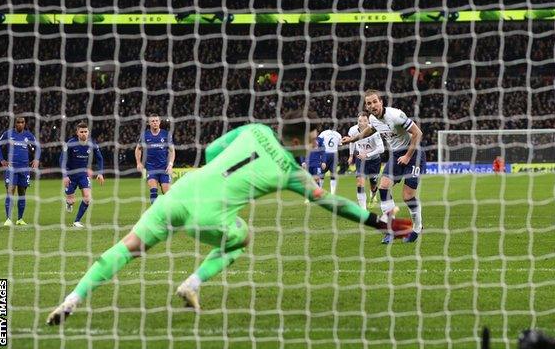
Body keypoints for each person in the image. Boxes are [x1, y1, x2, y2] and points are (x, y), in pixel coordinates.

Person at [46, 110, 414, 325]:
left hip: (183, 192)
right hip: (210, 216)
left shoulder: (256, 129)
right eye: (313, 139)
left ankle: (72, 299)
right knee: (242, 236)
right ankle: (193, 281)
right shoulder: (291, 171)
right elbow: (334, 204)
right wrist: (378, 223)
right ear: (302, 141)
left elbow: (211, 150)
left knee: (128, 248)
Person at [342, 89, 425, 244]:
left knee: (407, 197)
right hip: (395, 155)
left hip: (414, 155)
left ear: (381, 102)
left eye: (375, 101)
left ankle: (418, 227)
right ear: (366, 107)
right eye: (369, 103)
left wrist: (407, 156)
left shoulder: (395, 115)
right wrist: (352, 139)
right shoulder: (373, 119)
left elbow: (418, 133)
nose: (373, 105)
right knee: (384, 187)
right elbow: (370, 129)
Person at [0, 116, 41, 226]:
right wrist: (2, 160)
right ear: (14, 123)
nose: (20, 124)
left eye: (22, 122)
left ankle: (20, 219)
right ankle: (8, 219)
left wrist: (36, 159)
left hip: (24, 169)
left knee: (22, 193)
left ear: (24, 123)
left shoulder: (28, 135)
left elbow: (38, 147)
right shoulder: (8, 134)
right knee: (10, 191)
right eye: (18, 122)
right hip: (11, 168)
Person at [60, 122, 105, 228]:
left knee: (88, 198)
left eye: (85, 132)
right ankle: (69, 203)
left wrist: (100, 173)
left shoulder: (92, 143)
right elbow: (62, 159)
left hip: (83, 174)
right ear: (77, 132)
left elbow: (100, 158)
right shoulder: (70, 143)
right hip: (71, 174)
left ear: (88, 132)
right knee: (71, 200)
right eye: (81, 132)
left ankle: (77, 221)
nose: (84, 134)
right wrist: (65, 175)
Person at [347, 111, 384, 209]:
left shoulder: (374, 132)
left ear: (368, 121)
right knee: (360, 182)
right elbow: (352, 142)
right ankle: (363, 210)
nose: (361, 123)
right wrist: (351, 155)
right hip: (361, 160)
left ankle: (373, 195)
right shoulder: (353, 130)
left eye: (364, 120)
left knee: (373, 184)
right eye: (359, 120)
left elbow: (381, 149)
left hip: (374, 161)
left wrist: (367, 155)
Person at [135, 115, 175, 204]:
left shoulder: (166, 134)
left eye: (156, 121)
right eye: (152, 121)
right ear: (149, 123)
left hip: (164, 168)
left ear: (159, 122)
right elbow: (138, 149)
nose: (155, 123)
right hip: (151, 168)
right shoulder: (145, 135)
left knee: (167, 193)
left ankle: (168, 214)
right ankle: (154, 214)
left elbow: (172, 150)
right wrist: (138, 163)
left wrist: (171, 164)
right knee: (153, 190)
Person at [318, 128, 342, 194]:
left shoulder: (323, 133)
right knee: (333, 174)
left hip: (325, 154)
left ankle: (319, 191)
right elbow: (340, 145)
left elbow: (318, 143)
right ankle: (332, 193)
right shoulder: (338, 134)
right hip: (334, 155)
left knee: (321, 174)